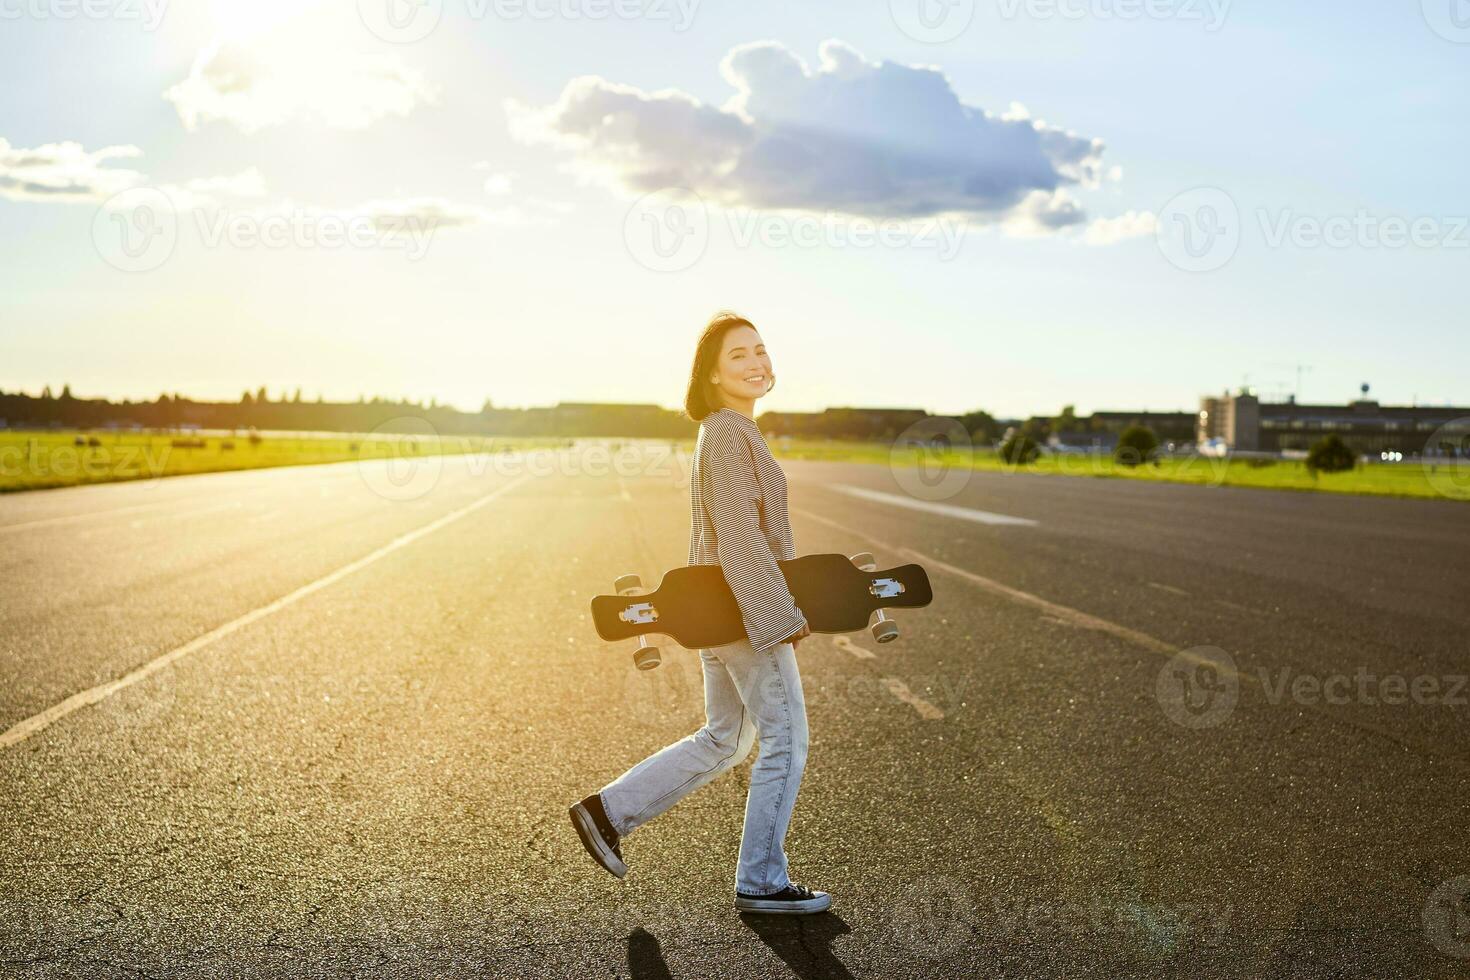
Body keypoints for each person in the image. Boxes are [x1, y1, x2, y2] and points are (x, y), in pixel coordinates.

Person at [569, 311, 829, 915]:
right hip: (748, 616)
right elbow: (740, 541)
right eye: (738, 355)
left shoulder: (732, 432)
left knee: (726, 739)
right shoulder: (727, 436)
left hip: (726, 612)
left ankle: (606, 814)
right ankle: (761, 881)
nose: (756, 362)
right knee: (786, 741)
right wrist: (781, 621)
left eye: (761, 350)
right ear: (711, 375)